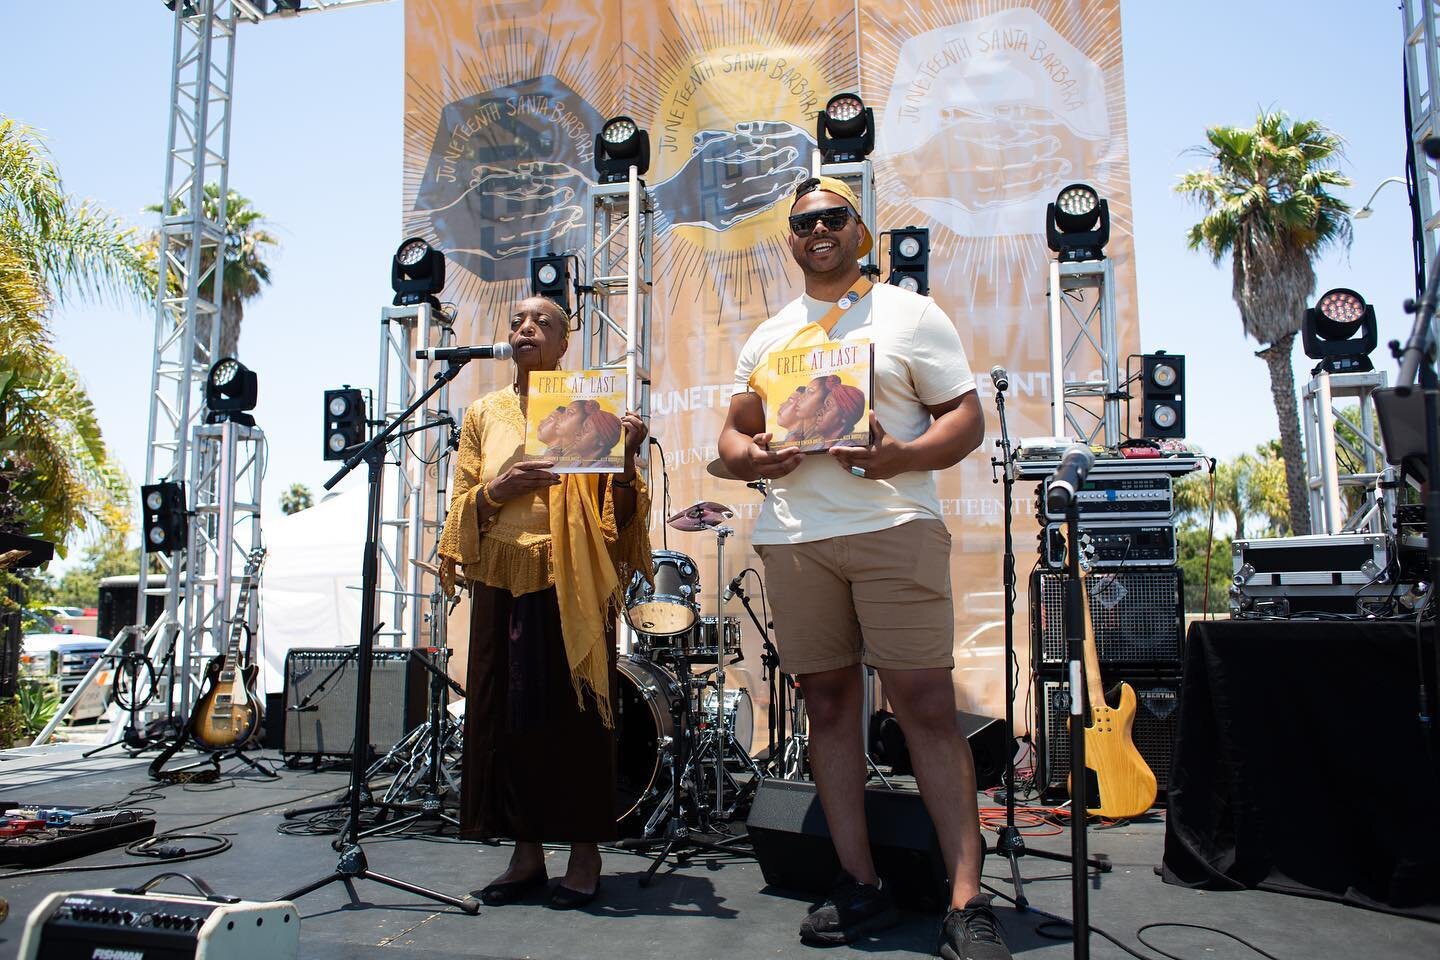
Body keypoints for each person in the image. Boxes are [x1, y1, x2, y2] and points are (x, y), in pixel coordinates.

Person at [718, 176, 1009, 960]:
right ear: (791, 240)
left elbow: (967, 420)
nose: (818, 230)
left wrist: (900, 457)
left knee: (926, 708)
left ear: (861, 231)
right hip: (795, 537)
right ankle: (859, 882)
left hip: (894, 525)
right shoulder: (770, 336)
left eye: (833, 217)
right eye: (804, 222)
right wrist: (759, 460)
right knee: (829, 707)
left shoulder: (912, 314)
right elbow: (732, 441)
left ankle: (966, 903)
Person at [439, 295, 651, 910]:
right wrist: (497, 488)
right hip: (501, 580)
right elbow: (461, 504)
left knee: (578, 717)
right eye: (517, 322)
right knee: (504, 715)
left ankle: (586, 855)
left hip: (572, 577)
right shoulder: (483, 412)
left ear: (564, 345)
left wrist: (627, 454)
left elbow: (623, 516)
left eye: (544, 323)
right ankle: (525, 854)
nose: (526, 329)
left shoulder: (589, 410)